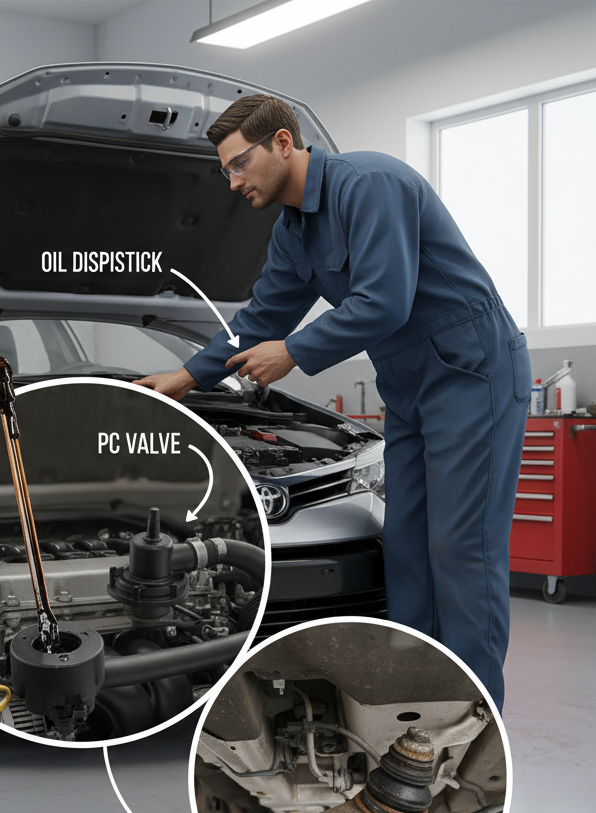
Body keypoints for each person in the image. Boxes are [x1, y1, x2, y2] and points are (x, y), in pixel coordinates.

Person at [134, 94, 530, 709]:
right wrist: (187, 376)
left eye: (239, 164)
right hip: (407, 385)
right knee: (405, 548)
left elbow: (384, 301)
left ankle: (474, 717)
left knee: (462, 551)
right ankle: (412, 702)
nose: (233, 182)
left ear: (283, 142)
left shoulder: (370, 184)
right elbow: (262, 317)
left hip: (470, 371)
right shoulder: (293, 231)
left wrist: (292, 353)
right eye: (225, 171)